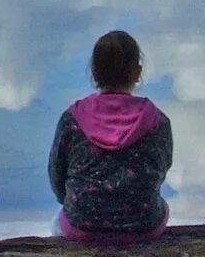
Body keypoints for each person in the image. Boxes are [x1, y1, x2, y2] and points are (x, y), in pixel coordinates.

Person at [48, 29, 173, 243]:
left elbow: (56, 175)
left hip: (82, 226)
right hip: (143, 225)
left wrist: (73, 201)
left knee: (54, 223)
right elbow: (160, 172)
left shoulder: (72, 118)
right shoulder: (157, 121)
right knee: (164, 206)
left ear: (94, 72)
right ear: (137, 72)